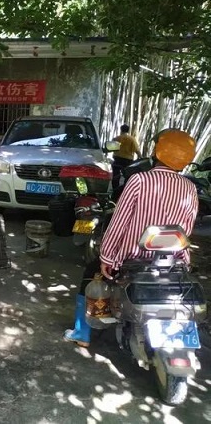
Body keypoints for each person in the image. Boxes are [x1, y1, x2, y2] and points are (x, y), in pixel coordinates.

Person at [63, 129, 198, 347]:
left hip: (131, 258)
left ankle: (82, 334)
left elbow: (119, 222)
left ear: (156, 152)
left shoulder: (139, 180)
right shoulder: (190, 188)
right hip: (172, 260)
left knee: (91, 274)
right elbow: (187, 227)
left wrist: (107, 257)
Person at [112, 124, 142, 190]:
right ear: (128, 130)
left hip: (117, 160)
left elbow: (111, 148)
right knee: (128, 176)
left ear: (121, 130)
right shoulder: (132, 139)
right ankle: (125, 189)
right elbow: (137, 150)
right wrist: (141, 157)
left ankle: (115, 190)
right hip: (127, 161)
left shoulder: (116, 138)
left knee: (115, 176)